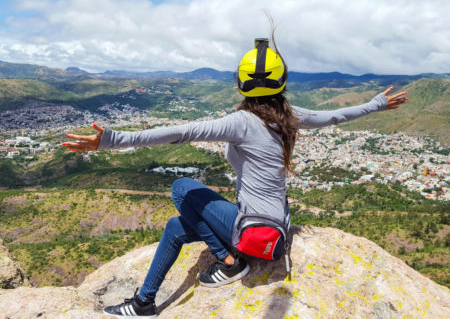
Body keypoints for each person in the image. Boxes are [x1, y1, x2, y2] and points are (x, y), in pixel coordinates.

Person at [62, 38, 407, 318]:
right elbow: (334, 116)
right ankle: (144, 304)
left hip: (252, 232)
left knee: (182, 188)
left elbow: (181, 132)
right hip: (275, 231)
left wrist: (112, 139)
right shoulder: (290, 116)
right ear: (281, 81)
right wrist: (375, 104)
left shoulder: (240, 121)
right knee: (175, 227)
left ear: (241, 82)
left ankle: (231, 262)